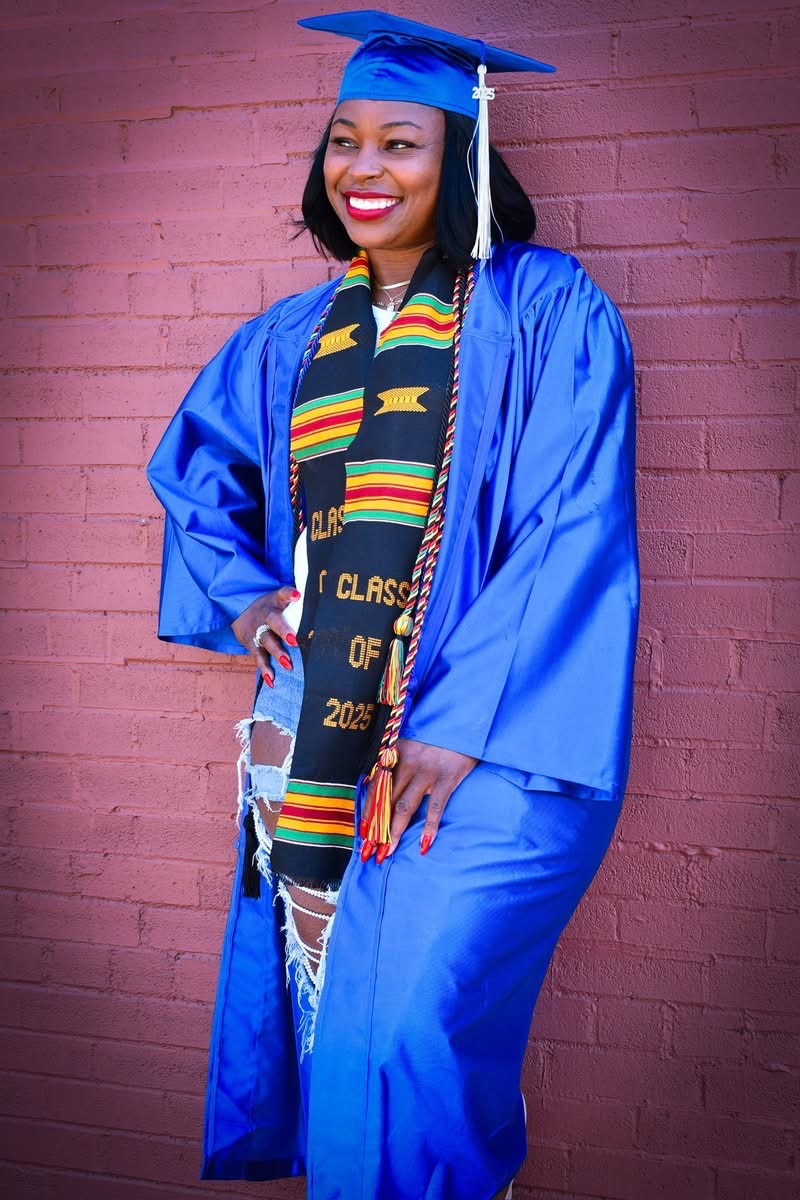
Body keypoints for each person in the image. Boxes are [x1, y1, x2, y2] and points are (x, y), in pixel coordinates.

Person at [147, 10, 640, 1200]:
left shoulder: (542, 307)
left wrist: (456, 721)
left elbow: (569, 521)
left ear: (460, 157)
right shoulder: (290, 337)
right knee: (339, 1022)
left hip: (499, 740)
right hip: (317, 733)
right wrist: (246, 598)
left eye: (400, 143)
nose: (363, 168)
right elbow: (192, 473)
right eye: (344, 141)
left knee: (409, 1021)